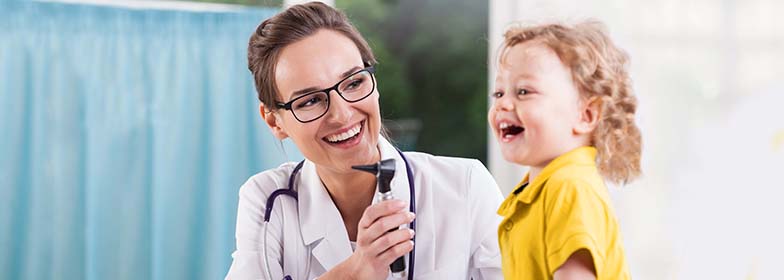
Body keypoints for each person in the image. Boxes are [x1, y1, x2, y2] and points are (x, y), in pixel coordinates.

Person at [225, 2, 503, 279]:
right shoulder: (268, 201)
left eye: (354, 83)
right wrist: (358, 270)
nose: (341, 114)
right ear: (274, 120)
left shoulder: (466, 187)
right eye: (310, 100)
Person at [488, 21, 641, 280]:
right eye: (499, 92)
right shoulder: (544, 188)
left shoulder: (569, 187)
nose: (503, 104)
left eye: (523, 91)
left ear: (586, 114)